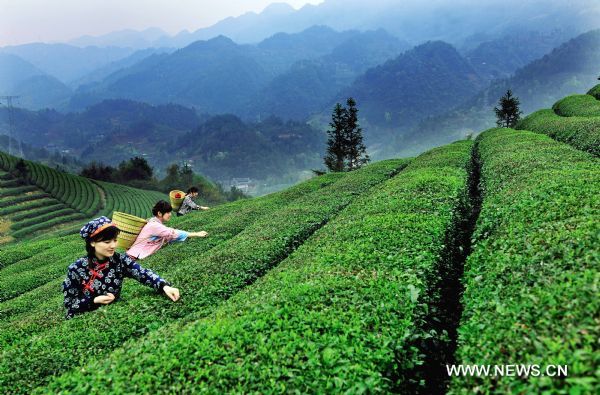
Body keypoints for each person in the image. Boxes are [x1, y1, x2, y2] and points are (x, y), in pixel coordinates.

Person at [62, 216, 180, 320]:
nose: (113, 246)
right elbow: (70, 305)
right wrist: (94, 301)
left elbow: (142, 273)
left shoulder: (119, 260)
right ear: (92, 242)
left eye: (115, 240)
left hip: (112, 316)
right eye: (107, 242)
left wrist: (164, 286)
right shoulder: (76, 269)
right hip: (84, 320)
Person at [126, 200, 208, 260]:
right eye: (168, 212)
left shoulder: (153, 222)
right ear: (159, 213)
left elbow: (168, 236)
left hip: (133, 255)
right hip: (134, 256)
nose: (170, 214)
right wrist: (196, 234)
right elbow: (171, 233)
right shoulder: (155, 225)